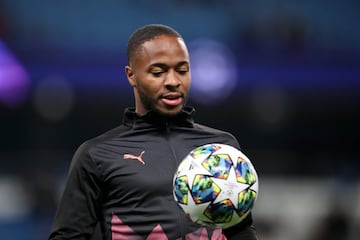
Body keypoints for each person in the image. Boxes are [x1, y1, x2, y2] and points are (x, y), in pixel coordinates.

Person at [49, 23, 258, 240]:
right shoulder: (96, 155)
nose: (173, 82)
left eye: (182, 70)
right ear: (131, 75)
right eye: (158, 72)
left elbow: (240, 230)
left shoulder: (222, 149)